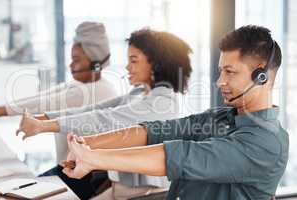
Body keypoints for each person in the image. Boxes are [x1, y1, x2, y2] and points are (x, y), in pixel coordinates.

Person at [61, 25, 289, 200]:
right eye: (221, 71)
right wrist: (87, 144)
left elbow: (181, 156)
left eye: (230, 72)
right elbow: (158, 131)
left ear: (262, 77)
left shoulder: (267, 143)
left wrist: (93, 159)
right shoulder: (223, 116)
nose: (220, 82)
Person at [16, 29, 193, 200]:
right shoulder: (139, 92)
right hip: (122, 188)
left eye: (134, 60)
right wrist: (42, 120)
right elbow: (95, 110)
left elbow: (105, 119)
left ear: (156, 64)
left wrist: (44, 126)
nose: (127, 66)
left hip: (144, 194)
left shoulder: (162, 102)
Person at [0, 21, 117, 120]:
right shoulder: (85, 84)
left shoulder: (98, 91)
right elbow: (46, 95)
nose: (71, 65)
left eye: (76, 60)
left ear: (96, 64)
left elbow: (48, 102)